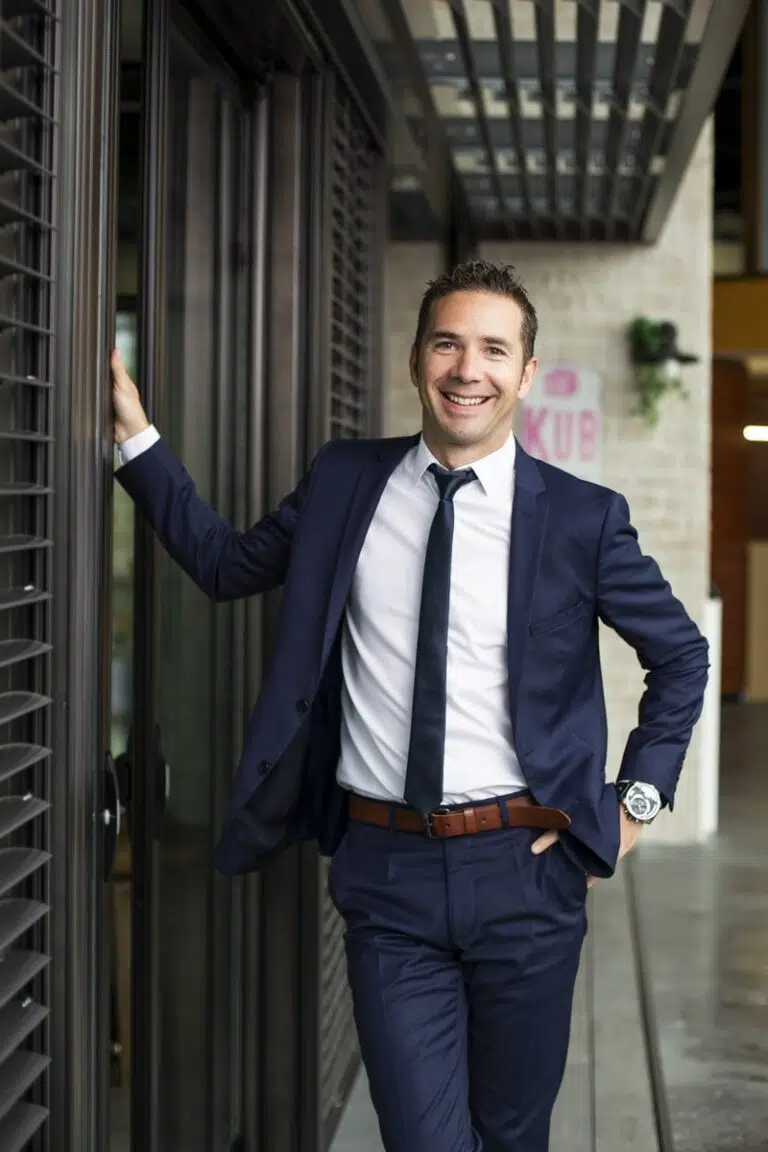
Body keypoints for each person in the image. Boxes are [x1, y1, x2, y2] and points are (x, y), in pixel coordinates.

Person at [111, 259, 709, 1152]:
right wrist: (136, 439)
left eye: (494, 350)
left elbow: (681, 654)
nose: (469, 369)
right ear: (417, 358)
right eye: (448, 343)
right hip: (385, 873)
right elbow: (226, 564)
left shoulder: (583, 519)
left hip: (526, 871)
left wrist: (633, 805)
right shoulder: (346, 481)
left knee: (512, 1135)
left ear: (525, 374)